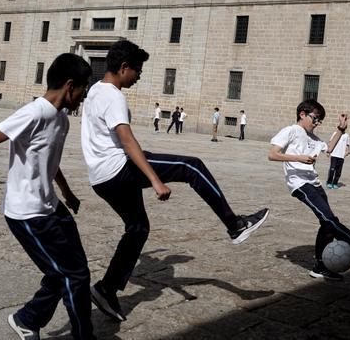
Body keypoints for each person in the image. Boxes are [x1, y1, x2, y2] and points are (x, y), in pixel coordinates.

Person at [81, 40, 269, 322]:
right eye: (138, 70)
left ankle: (106, 289)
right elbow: (126, 139)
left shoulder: (96, 89)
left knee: (138, 228)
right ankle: (234, 225)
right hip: (119, 168)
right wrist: (155, 180)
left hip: (100, 178)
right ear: (123, 68)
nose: (140, 76)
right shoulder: (113, 96)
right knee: (190, 166)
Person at [0, 53, 94, 340]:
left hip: (51, 206)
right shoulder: (35, 112)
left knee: (70, 272)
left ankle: (27, 319)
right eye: (84, 90)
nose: (84, 97)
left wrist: (67, 192)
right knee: (73, 276)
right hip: (28, 214)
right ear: (70, 85)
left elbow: (48, 159)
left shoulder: (62, 119)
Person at [268, 102, 350, 280]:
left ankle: (320, 267)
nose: (316, 123)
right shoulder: (291, 130)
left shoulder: (313, 139)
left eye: (319, 121)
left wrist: (340, 129)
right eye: (315, 119)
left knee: (327, 223)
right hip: (300, 184)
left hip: (315, 184)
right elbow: (273, 154)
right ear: (302, 114)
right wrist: (298, 158)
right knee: (328, 219)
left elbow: (329, 148)